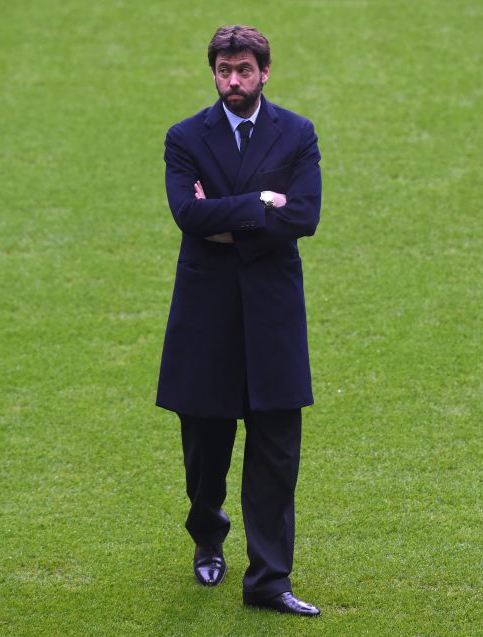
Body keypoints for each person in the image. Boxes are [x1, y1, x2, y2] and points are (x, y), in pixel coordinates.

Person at [156, 25, 323, 617]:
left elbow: (303, 215)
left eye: (244, 70)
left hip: (273, 320)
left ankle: (269, 581)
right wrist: (261, 205)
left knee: (277, 452)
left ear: (265, 72)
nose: (233, 81)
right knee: (205, 451)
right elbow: (186, 214)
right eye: (224, 70)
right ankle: (207, 531)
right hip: (208, 321)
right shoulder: (184, 138)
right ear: (214, 72)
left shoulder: (298, 134)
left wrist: (224, 220)